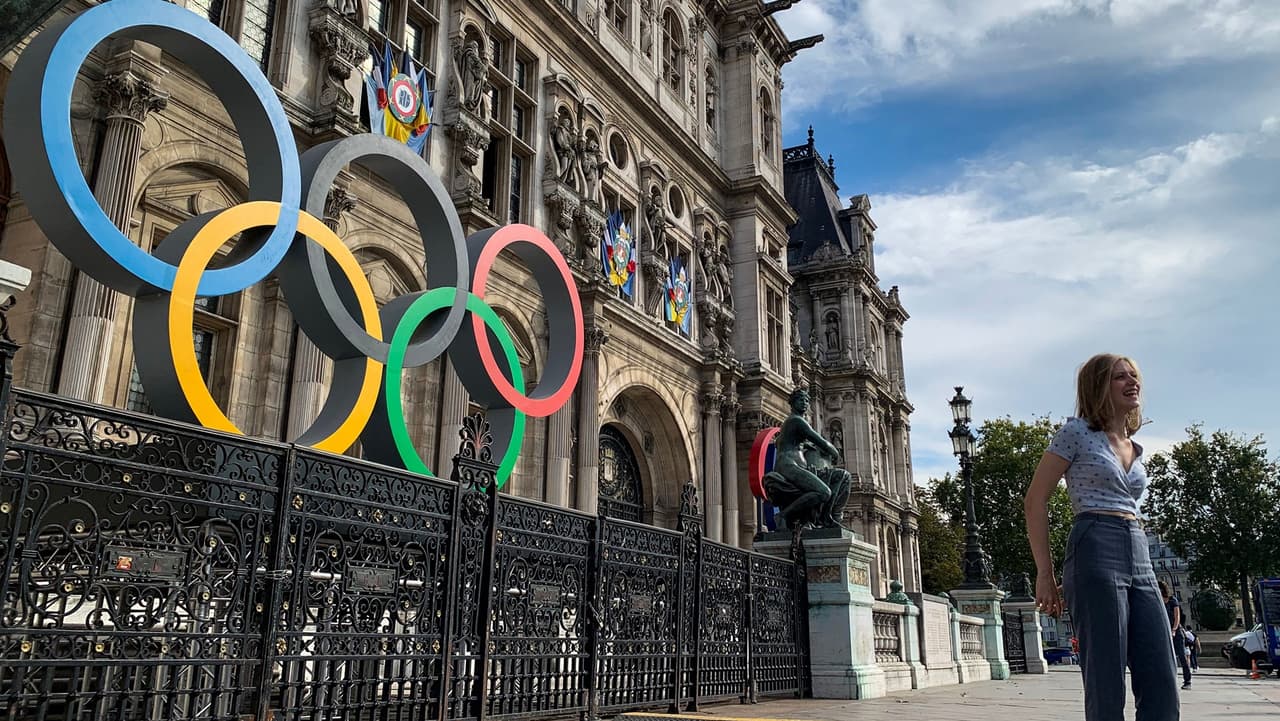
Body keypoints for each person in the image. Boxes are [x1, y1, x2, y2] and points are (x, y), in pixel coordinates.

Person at [1024, 354, 1178, 720]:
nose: (1132, 382)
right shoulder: (1076, 432)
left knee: (1161, 675)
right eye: (1119, 377)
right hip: (1094, 541)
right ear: (1098, 387)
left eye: (1134, 375)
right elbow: (1035, 501)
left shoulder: (1134, 447)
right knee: (1105, 678)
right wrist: (1045, 573)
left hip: (1139, 550)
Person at [1160, 581, 1193, 689]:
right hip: (1165, 632)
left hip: (1176, 632)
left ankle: (1187, 681)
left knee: (1182, 657)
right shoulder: (1159, 601)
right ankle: (1169, 681)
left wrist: (1174, 629)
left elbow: (1177, 616)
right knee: (1165, 658)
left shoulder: (1172, 600)